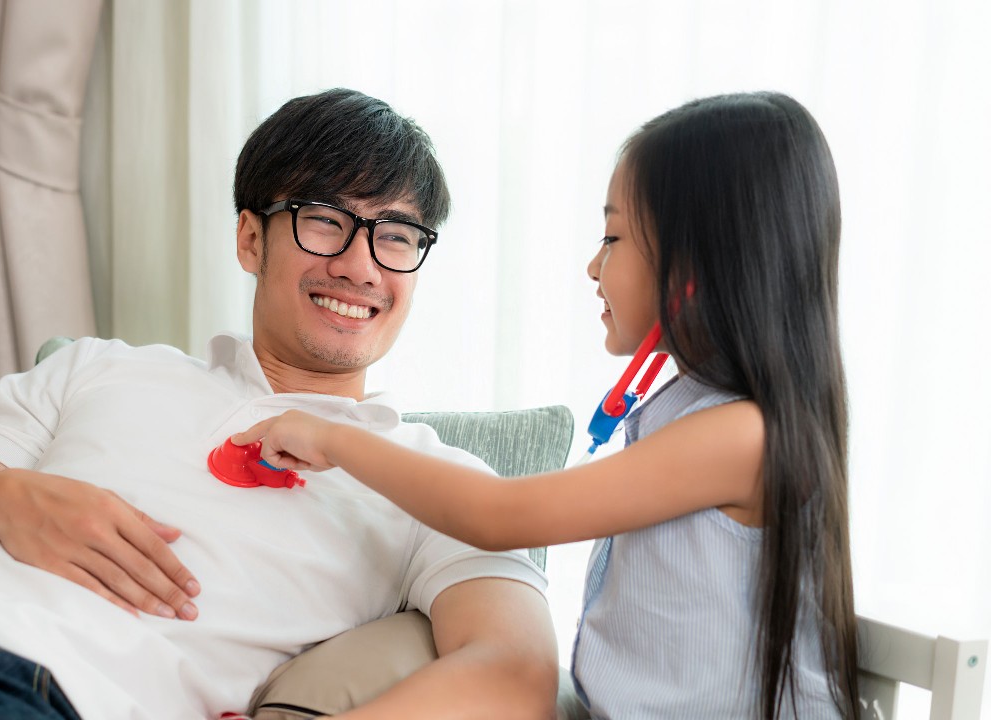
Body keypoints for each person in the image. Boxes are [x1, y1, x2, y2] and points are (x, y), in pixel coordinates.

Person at [0, 89, 558, 720]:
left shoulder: (441, 481)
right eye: (325, 220)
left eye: (398, 236)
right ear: (250, 239)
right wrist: (1, 501)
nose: (361, 265)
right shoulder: (98, 368)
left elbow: (515, 672)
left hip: (23, 693)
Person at [235, 92, 860, 719]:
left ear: (694, 263)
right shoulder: (688, 409)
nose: (594, 266)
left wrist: (335, 438)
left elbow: (501, 515)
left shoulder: (743, 437)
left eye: (613, 237)